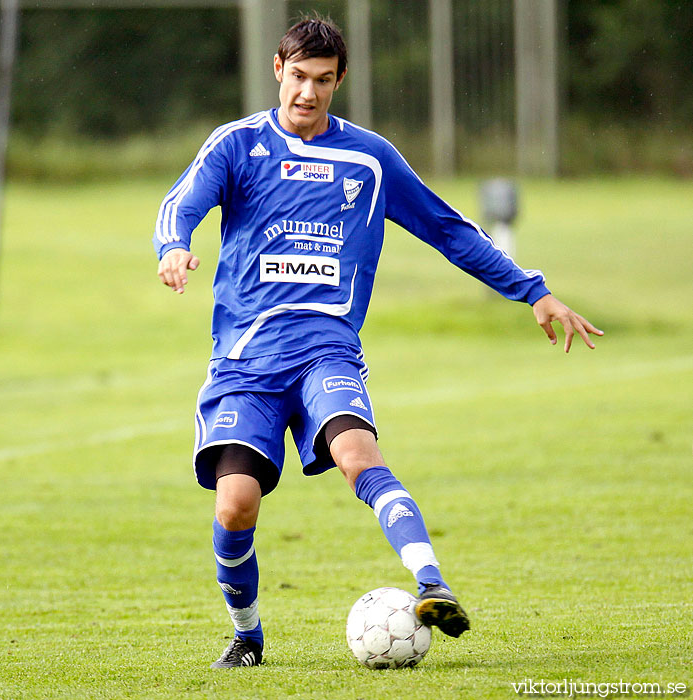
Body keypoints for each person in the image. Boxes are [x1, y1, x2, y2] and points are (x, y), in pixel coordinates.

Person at [153, 16, 603, 669]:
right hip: (245, 359)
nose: (308, 92)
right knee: (236, 504)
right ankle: (247, 635)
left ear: (338, 81)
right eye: (299, 77)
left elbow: (448, 229)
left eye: (323, 81)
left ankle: (430, 584)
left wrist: (531, 290)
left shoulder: (367, 158)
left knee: (357, 455)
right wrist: (173, 246)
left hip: (324, 347)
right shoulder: (238, 145)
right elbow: (182, 202)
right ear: (278, 70)